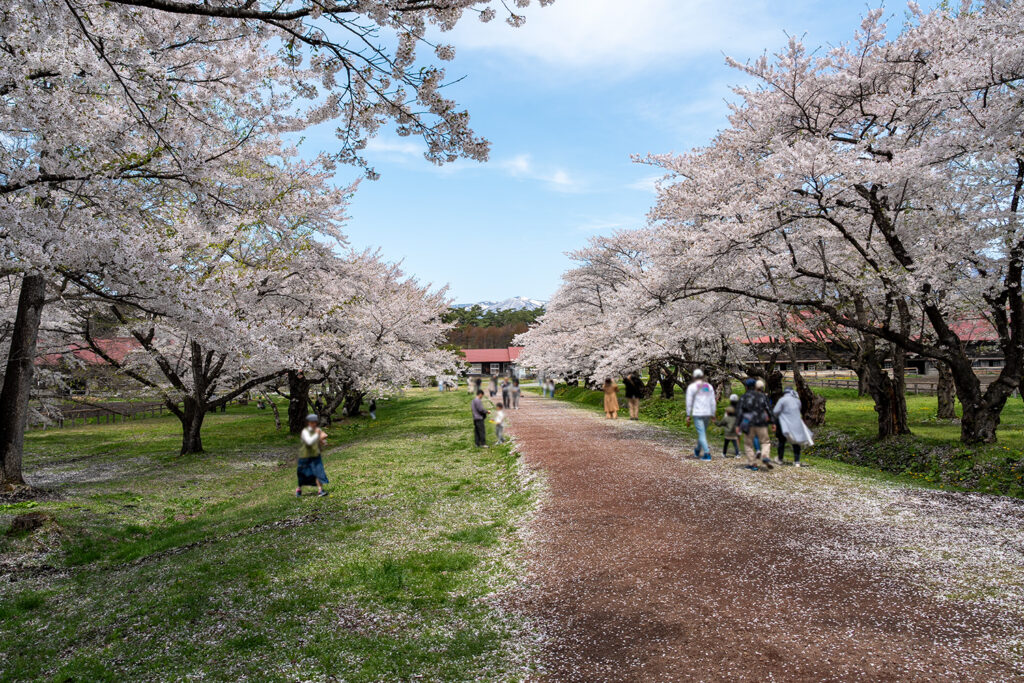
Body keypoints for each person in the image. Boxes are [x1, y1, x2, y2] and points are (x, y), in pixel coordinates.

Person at [738, 379, 774, 470]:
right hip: (761, 422)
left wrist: (737, 425)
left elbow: (739, 412)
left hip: (748, 423)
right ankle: (765, 455)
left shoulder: (744, 397)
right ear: (755, 386)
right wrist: (773, 422)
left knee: (748, 444)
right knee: (765, 442)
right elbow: (769, 409)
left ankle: (752, 464)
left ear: (746, 386)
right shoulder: (762, 396)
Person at [774, 387, 813, 466]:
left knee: (782, 441)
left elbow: (775, 411)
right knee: (796, 442)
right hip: (796, 423)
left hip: (784, 423)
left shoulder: (782, 400)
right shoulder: (797, 401)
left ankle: (780, 459)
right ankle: (797, 461)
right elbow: (798, 410)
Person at [685, 369, 717, 460]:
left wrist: (688, 414)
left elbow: (689, 402)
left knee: (701, 433)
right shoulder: (709, 386)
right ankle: (697, 450)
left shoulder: (692, 387)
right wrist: (713, 413)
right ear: (702, 376)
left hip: (697, 413)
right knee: (702, 433)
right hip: (707, 413)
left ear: (694, 377)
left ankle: (707, 453)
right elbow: (712, 401)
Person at [296, 414, 329, 497]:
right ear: (308, 423)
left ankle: (320, 490)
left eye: (315, 422)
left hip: (315, 455)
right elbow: (309, 442)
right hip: (305, 456)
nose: (314, 424)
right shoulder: (305, 431)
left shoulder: (318, 430)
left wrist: (323, 442)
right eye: (312, 422)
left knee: (319, 471)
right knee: (303, 474)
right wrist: (318, 434)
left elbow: (320, 440)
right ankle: (299, 489)